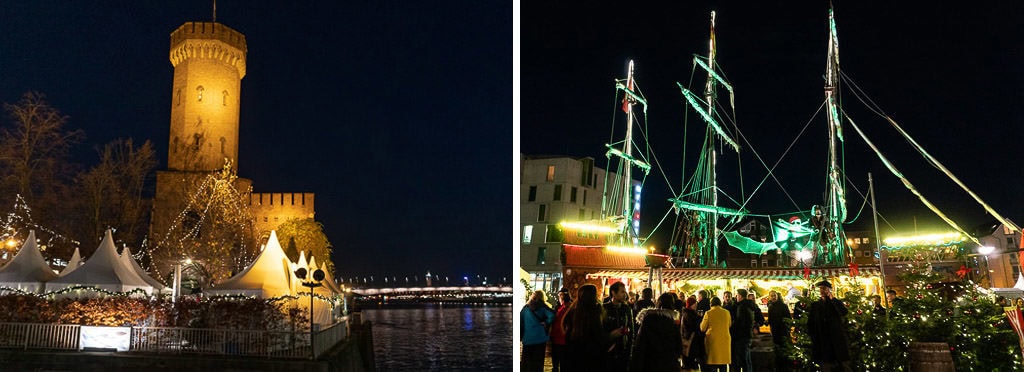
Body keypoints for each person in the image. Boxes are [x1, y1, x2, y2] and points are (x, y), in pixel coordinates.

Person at [564, 284, 614, 371]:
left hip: (575, 353)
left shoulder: (573, 311)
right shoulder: (596, 311)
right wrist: (611, 338)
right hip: (593, 355)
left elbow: (566, 328)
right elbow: (599, 334)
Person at [629, 293, 682, 372]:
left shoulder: (648, 319)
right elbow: (678, 347)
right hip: (668, 364)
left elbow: (640, 344)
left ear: (658, 303)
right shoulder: (672, 322)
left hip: (650, 364)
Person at [807, 280, 852, 372]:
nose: (822, 290)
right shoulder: (815, 305)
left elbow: (843, 312)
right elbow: (811, 322)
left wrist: (832, 299)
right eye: (821, 289)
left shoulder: (835, 302)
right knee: (825, 364)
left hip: (836, 338)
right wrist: (813, 336)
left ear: (829, 289)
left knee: (842, 363)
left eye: (824, 288)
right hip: (823, 339)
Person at [520, 290, 555, 372]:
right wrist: (546, 322)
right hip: (540, 339)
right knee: (538, 362)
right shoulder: (543, 307)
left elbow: (520, 321)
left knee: (526, 362)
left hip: (527, 338)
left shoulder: (525, 308)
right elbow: (552, 315)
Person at [603, 281, 635, 371]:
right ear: (613, 293)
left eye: (625, 292)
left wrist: (629, 352)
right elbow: (599, 330)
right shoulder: (604, 308)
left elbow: (631, 332)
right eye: (622, 292)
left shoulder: (627, 309)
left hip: (623, 352)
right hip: (608, 352)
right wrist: (609, 336)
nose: (625, 294)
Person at [730, 288, 762, 371]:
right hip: (747, 334)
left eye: (737, 295)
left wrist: (732, 330)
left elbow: (740, 322)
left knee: (744, 359)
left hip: (742, 336)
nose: (736, 297)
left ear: (740, 296)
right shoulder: (749, 305)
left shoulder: (742, 307)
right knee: (747, 359)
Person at [700, 296, 731, 372]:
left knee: (713, 363)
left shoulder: (708, 313)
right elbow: (729, 324)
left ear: (711, 304)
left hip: (713, 341)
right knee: (723, 364)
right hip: (725, 341)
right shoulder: (727, 312)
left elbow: (702, 328)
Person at [767, 290, 792, 371]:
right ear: (769, 297)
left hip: (782, 332)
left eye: (774, 295)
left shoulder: (783, 306)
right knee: (777, 351)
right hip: (774, 332)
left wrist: (787, 329)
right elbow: (771, 318)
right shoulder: (770, 306)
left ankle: (784, 367)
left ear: (777, 296)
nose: (773, 297)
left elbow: (788, 318)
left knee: (783, 351)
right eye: (772, 296)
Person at [680, 296, 704, 372]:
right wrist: (699, 318)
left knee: (689, 361)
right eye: (694, 303)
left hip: (690, 340)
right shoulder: (688, 314)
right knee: (689, 361)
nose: (696, 305)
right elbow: (693, 326)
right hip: (690, 340)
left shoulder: (688, 313)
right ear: (690, 304)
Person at [550, 288, 572, 372]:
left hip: (563, 338)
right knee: (556, 360)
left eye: (560, 295)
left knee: (563, 361)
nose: (559, 297)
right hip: (556, 337)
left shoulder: (568, 307)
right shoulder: (560, 306)